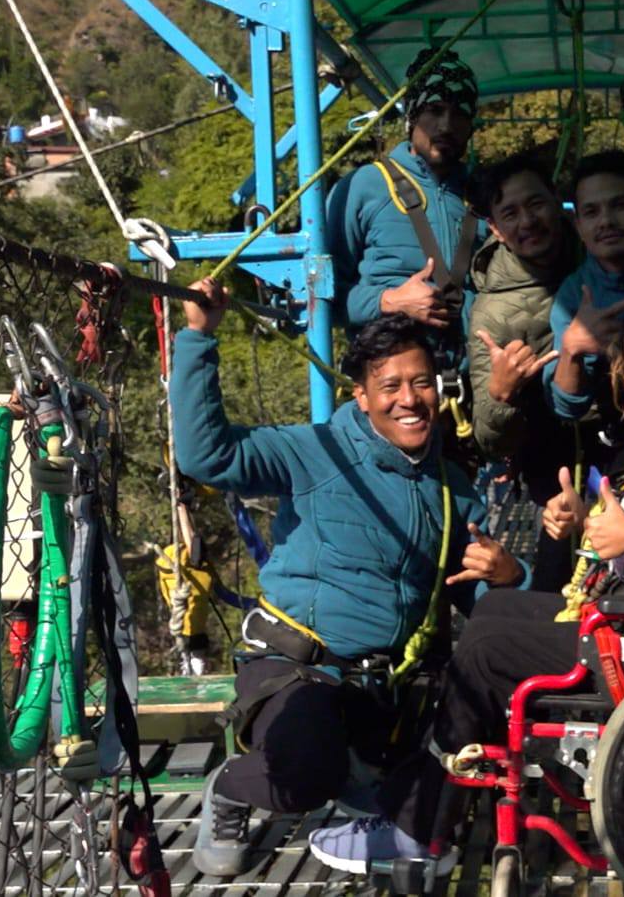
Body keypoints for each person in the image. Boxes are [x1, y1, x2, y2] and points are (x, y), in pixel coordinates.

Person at [305, 290, 624, 876]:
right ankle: (432, 800)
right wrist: (589, 524)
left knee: (488, 649)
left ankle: (420, 827)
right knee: (494, 611)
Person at [170, 279, 527, 876]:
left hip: (385, 691)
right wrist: (198, 337)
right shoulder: (314, 451)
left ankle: (363, 777)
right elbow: (208, 457)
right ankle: (233, 786)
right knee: (305, 772)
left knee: (467, 754)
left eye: (422, 383)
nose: (410, 399)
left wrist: (511, 575)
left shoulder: (452, 489)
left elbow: (476, 595)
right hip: (299, 668)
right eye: (390, 387)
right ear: (361, 396)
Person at [464, 151, 581, 589]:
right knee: (559, 594)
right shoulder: (492, 313)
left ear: (556, 200)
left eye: (535, 204)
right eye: (510, 214)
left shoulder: (601, 253)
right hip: (554, 473)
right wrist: (501, 394)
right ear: (495, 229)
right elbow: (490, 439)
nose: (527, 221)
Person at [327, 47, 484, 370]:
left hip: (473, 377)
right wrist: (389, 301)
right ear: (412, 117)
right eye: (434, 110)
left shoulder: (483, 194)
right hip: (393, 378)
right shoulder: (364, 186)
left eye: (459, 114)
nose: (446, 125)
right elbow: (320, 298)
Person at [545, 150, 624, 424]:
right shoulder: (574, 293)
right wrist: (572, 349)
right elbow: (566, 408)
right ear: (578, 225)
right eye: (591, 212)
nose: (606, 221)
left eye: (619, 205)